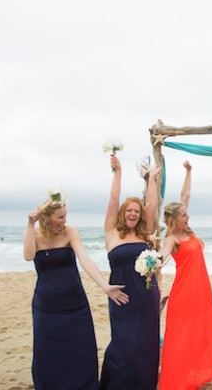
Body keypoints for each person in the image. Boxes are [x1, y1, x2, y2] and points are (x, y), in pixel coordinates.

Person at [23, 189, 129, 390]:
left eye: (65, 216)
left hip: (74, 302)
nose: (64, 221)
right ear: (46, 217)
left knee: (80, 349)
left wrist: (105, 286)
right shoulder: (33, 234)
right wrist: (30, 224)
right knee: (48, 351)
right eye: (60, 217)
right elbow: (29, 256)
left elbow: (85, 260)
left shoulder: (70, 232)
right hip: (46, 305)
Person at [157, 161, 212, 390]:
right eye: (184, 215)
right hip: (184, 293)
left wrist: (188, 171)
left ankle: (200, 373)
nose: (188, 218)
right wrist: (150, 261)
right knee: (182, 337)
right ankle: (181, 377)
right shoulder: (171, 239)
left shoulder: (187, 232)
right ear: (174, 219)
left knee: (202, 332)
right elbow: (162, 257)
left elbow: (185, 194)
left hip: (201, 290)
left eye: (187, 214)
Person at [100, 154, 162, 390]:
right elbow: (114, 198)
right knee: (123, 343)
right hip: (121, 295)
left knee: (146, 343)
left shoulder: (144, 233)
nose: (134, 214)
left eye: (137, 211)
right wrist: (118, 172)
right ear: (123, 212)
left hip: (146, 295)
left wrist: (153, 180)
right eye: (130, 211)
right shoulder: (111, 232)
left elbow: (152, 205)